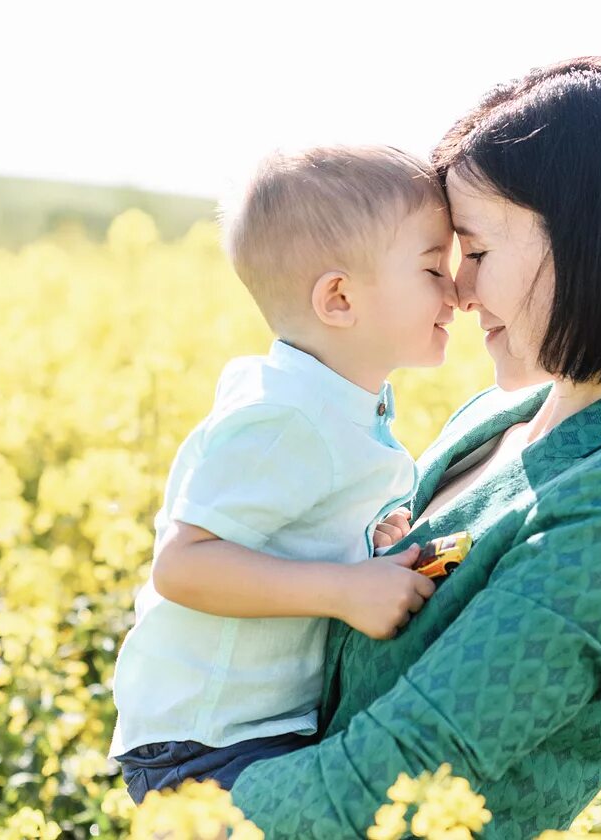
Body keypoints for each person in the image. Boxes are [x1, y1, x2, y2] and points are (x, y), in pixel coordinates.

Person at [227, 57, 601, 839]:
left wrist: (186, 814)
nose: (458, 292)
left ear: (588, 243)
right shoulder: (498, 415)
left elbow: (399, 773)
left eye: (474, 250)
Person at [107, 145, 457, 803]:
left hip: (253, 731)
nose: (458, 291)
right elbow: (182, 566)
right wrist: (345, 589)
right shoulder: (285, 416)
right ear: (340, 298)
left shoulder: (340, 401)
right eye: (433, 268)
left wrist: (369, 540)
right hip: (203, 743)